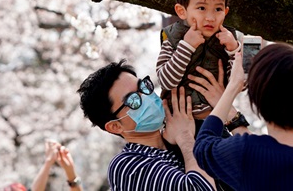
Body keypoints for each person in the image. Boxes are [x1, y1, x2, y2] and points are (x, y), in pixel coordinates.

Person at [193, 43, 293, 191]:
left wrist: (232, 88)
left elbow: (202, 147)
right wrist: (233, 116)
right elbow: (283, 151)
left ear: (259, 97)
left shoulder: (246, 152)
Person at [77, 60, 216, 190]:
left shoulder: (178, 140)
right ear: (115, 126)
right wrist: (185, 138)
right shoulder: (127, 166)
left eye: (143, 86)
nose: (146, 97)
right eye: (133, 100)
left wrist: (231, 116)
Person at [156, 0, 241, 125]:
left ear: (225, 12)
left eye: (218, 9)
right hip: (178, 122)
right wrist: (186, 46)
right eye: (202, 8)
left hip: (216, 121)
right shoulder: (172, 38)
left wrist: (234, 50)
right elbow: (166, 81)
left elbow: (242, 85)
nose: (210, 17)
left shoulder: (229, 39)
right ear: (182, 11)